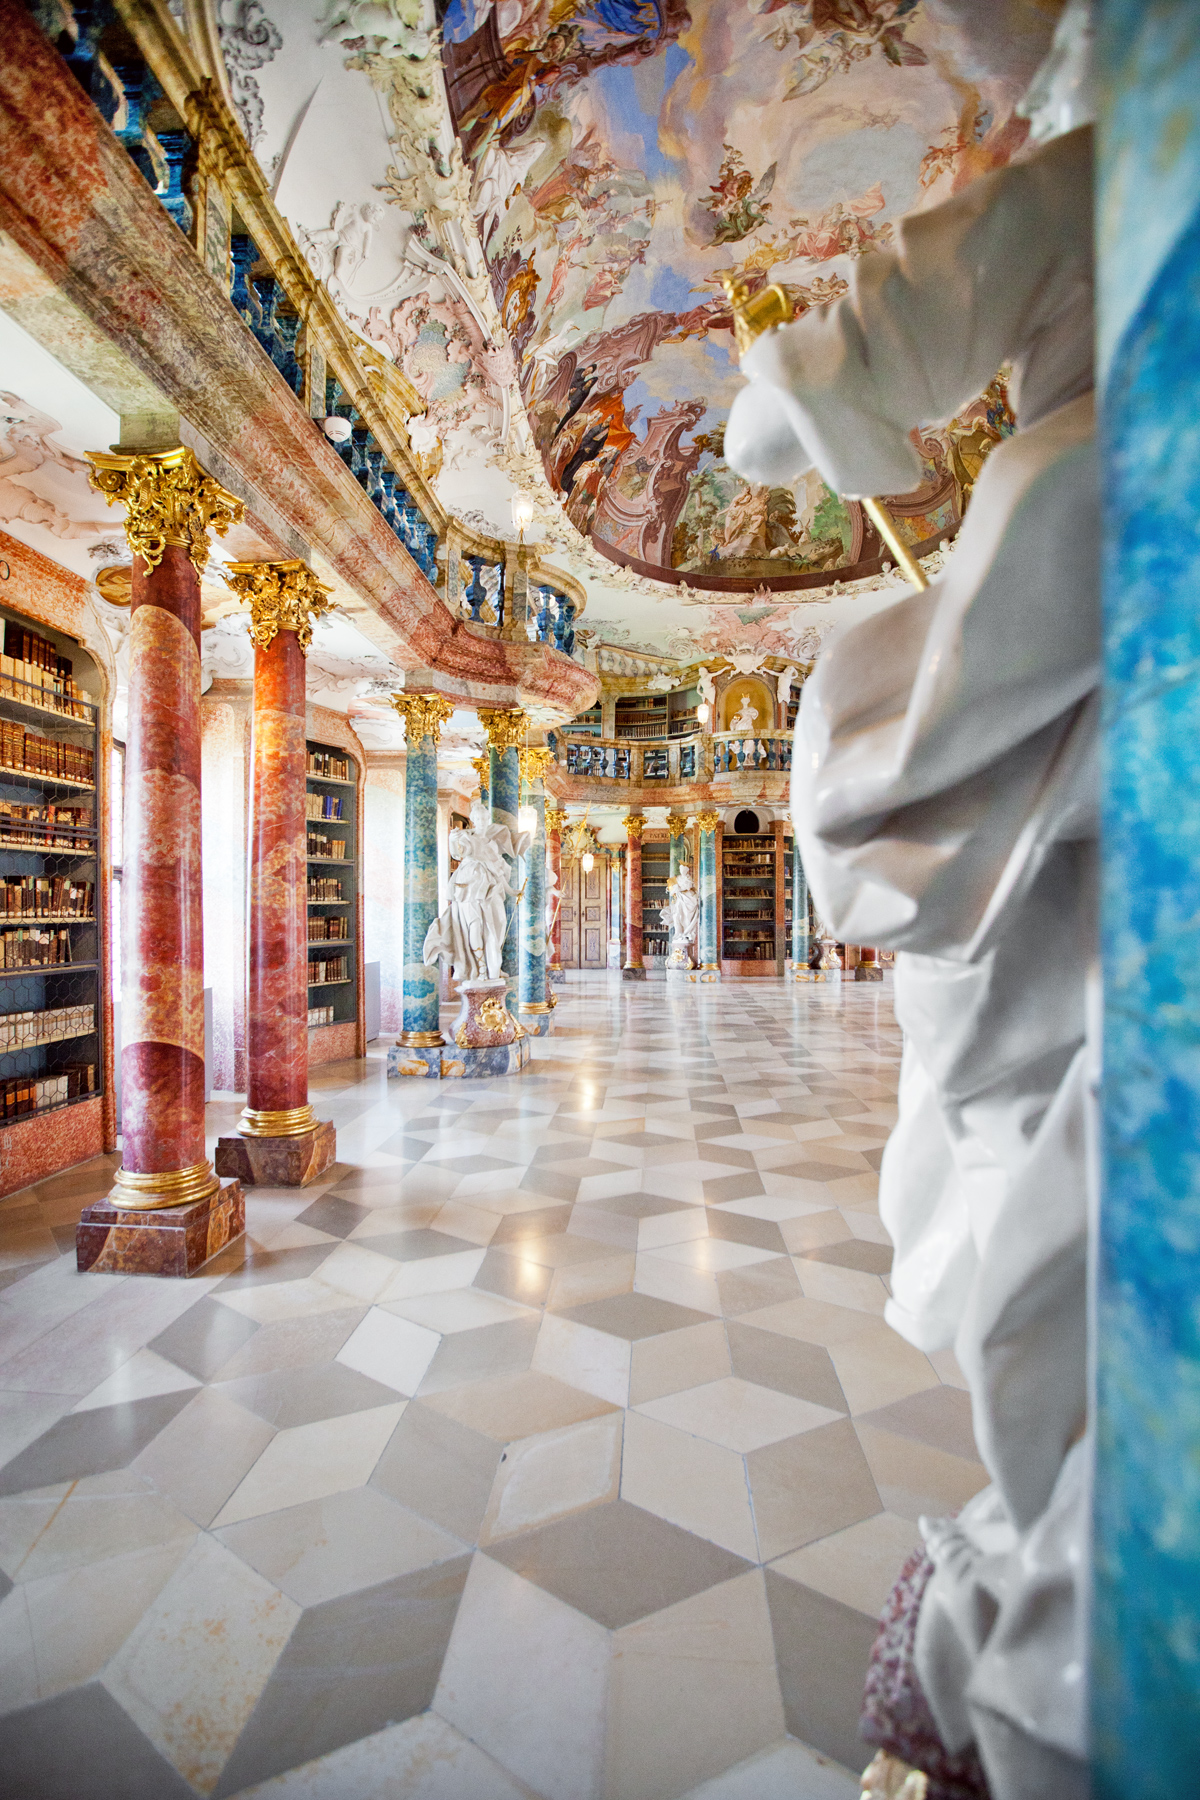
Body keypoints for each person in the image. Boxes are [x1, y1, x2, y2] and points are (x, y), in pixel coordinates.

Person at [724, 9, 1097, 1797]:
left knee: (1033, 1108)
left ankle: (1064, 1574)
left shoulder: (1131, 141)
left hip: (1088, 571)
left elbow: (848, 360)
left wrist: (799, 404)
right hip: (1085, 588)